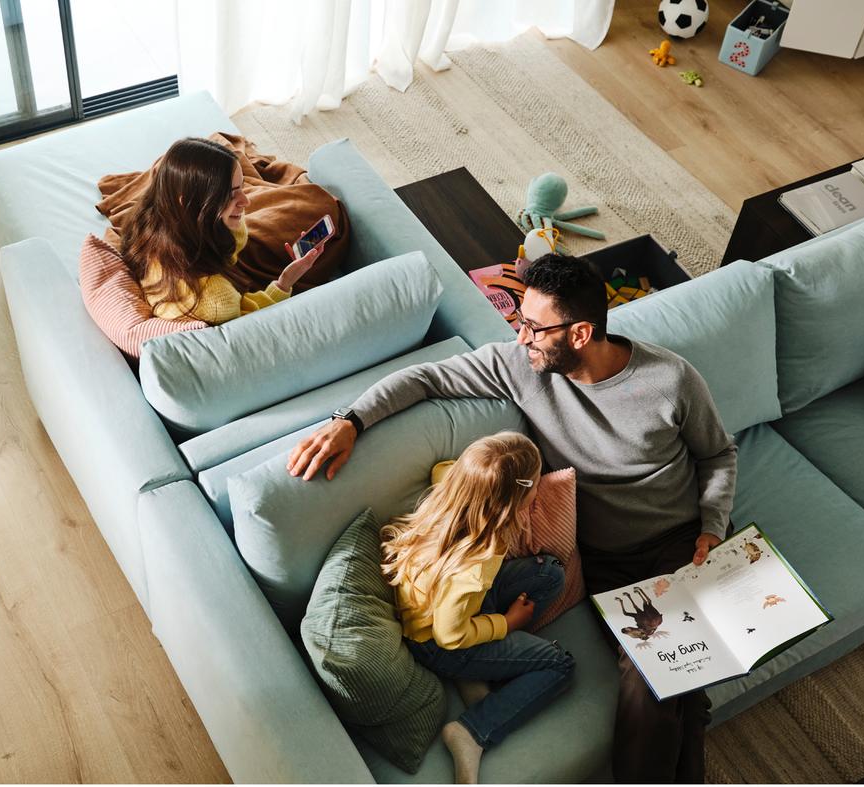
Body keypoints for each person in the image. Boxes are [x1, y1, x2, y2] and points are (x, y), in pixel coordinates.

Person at [288, 253, 738, 783]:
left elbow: (717, 455)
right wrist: (350, 421)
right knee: (664, 676)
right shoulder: (522, 366)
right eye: (519, 322)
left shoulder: (671, 380)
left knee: (671, 679)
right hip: (607, 561)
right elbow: (427, 379)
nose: (521, 337)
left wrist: (712, 527)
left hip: (681, 543)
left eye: (532, 326)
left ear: (581, 333)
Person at [382, 431, 574, 784]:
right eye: (534, 488)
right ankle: (472, 732)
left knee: (549, 573)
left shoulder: (450, 491)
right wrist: (506, 623)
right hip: (441, 644)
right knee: (559, 666)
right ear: (514, 502)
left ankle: (479, 673)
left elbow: (444, 468)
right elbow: (450, 634)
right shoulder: (475, 564)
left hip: (453, 607)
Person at [119, 137, 326, 325]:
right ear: (188, 204)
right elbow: (254, 323)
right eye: (230, 194)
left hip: (215, 254)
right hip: (224, 282)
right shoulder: (217, 300)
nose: (246, 201)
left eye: (242, 187)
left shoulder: (149, 219)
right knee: (321, 207)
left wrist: (229, 210)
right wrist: (284, 283)